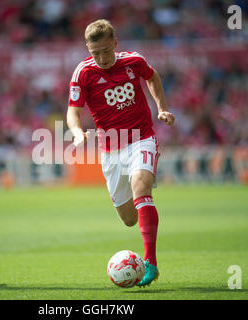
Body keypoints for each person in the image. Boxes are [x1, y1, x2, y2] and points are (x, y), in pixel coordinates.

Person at [66, 19, 175, 287]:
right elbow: (72, 111)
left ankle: (151, 262)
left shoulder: (133, 61)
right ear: (88, 49)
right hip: (110, 149)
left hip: (142, 138)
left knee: (141, 188)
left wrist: (161, 107)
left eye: (106, 50)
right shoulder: (83, 73)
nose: (101, 58)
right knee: (128, 219)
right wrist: (78, 132)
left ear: (115, 43)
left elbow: (152, 76)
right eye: (95, 53)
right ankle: (144, 214)